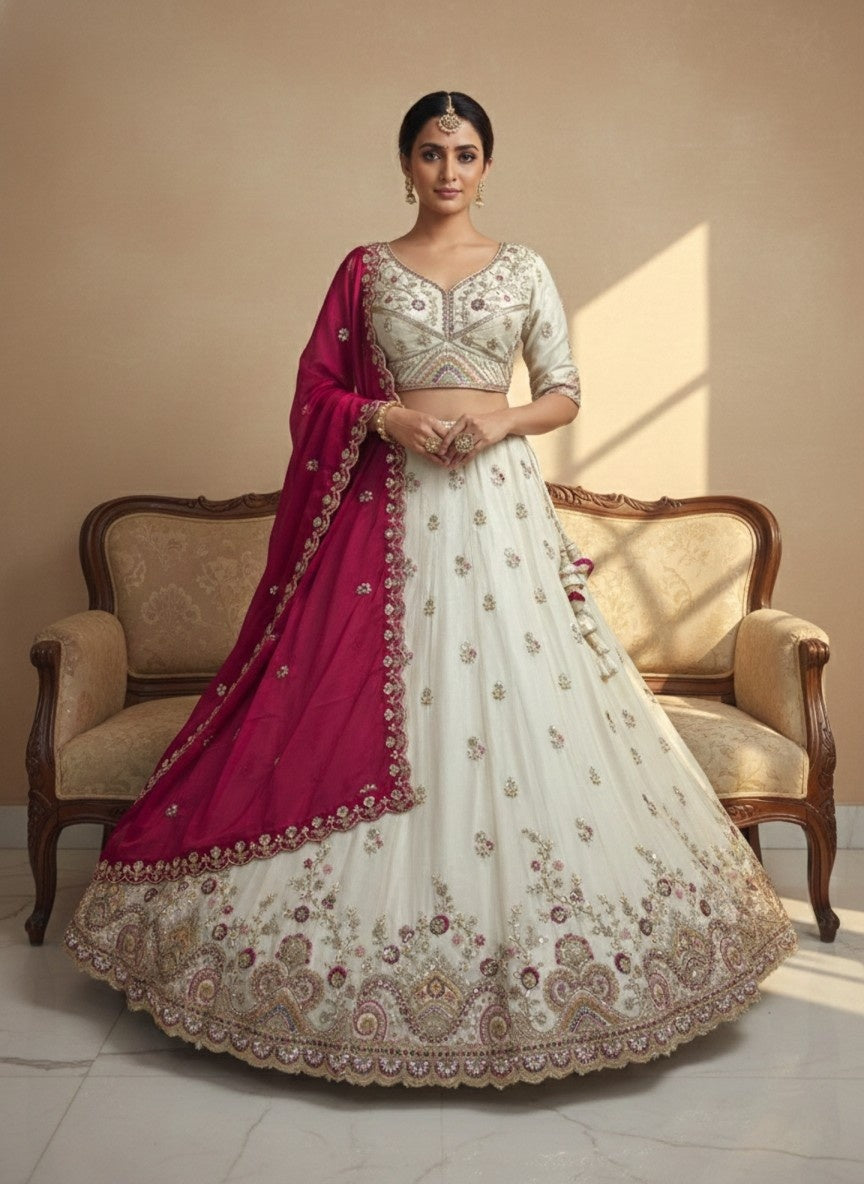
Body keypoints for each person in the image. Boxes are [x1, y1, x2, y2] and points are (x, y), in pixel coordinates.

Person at [65, 91, 796, 1089]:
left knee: (526, 701)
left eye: (465, 153)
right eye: (429, 153)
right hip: (390, 502)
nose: (448, 170)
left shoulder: (527, 267)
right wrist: (380, 417)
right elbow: (314, 390)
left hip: (497, 504)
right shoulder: (364, 269)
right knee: (363, 690)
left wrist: (501, 425)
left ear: (489, 164)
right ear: (404, 165)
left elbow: (567, 389)